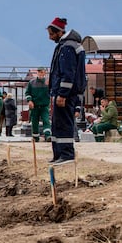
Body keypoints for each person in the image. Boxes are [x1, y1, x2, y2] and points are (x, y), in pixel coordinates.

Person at [47, 17, 85, 165]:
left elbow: (68, 73)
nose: (50, 38)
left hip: (66, 95)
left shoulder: (67, 47)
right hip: (62, 93)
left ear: (59, 32)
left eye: (51, 34)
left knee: (63, 123)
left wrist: (62, 93)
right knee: (57, 124)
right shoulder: (68, 45)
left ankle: (66, 154)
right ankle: (58, 154)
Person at [25, 67, 51, 142]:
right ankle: (35, 137)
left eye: (42, 72)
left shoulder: (48, 83)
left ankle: (47, 135)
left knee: (46, 120)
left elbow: (52, 91)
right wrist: (29, 101)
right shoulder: (31, 82)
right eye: (39, 72)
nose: (40, 73)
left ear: (44, 73)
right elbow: (27, 93)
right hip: (34, 106)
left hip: (44, 106)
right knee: (34, 122)